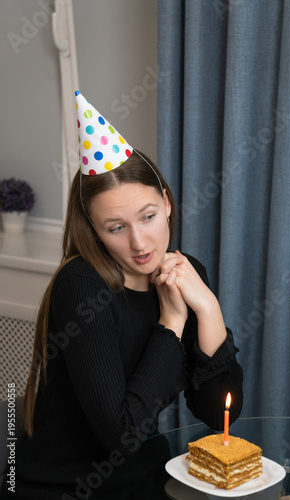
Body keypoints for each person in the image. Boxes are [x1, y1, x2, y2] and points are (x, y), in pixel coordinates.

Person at [1, 92, 243, 500]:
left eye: (148, 217)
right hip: (59, 486)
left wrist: (208, 306)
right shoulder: (81, 285)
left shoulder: (185, 273)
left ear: (166, 203)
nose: (140, 242)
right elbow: (123, 433)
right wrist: (173, 323)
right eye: (116, 227)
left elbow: (219, 411)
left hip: (147, 476)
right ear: (94, 230)